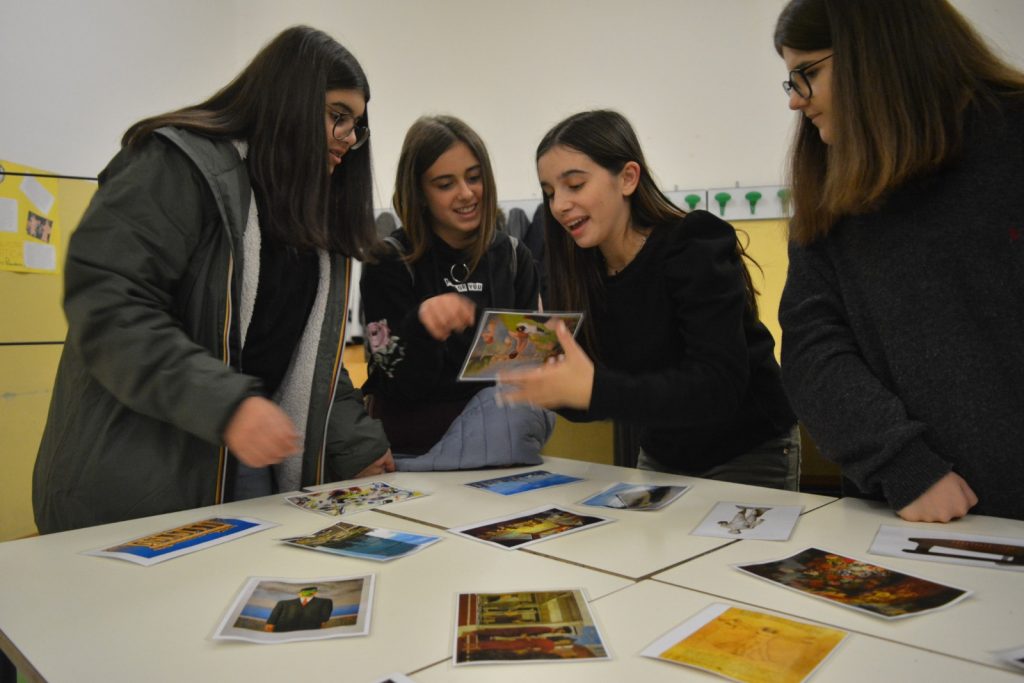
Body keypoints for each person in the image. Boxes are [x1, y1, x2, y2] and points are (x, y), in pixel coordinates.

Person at [33, 26, 393, 534]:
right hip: (139, 483)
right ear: (287, 99)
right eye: (337, 116)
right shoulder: (173, 165)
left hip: (247, 471)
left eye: (357, 124)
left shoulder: (309, 225)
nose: (351, 138)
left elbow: (307, 359)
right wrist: (227, 404)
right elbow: (111, 307)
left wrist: (357, 446)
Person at [773, 0, 1024, 522]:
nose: (797, 101)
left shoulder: (1010, 139)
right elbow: (812, 345)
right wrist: (905, 465)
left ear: (877, 53)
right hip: (905, 517)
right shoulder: (826, 181)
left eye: (808, 74)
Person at [498, 110, 800, 490]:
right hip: (663, 454)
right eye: (549, 193)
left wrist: (593, 389)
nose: (559, 205)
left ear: (627, 178)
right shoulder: (581, 271)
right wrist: (553, 387)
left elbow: (717, 386)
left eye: (574, 185)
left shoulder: (694, 243)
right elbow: (605, 390)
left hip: (746, 451)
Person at [360, 115, 541, 455]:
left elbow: (525, 371)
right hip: (414, 454)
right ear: (420, 192)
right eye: (445, 184)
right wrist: (423, 326)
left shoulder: (513, 256)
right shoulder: (388, 261)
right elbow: (393, 382)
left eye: (474, 178)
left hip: (504, 448)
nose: (466, 193)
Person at [264, 586, 333, 632]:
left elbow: (324, 620)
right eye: (303, 592)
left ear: (315, 592)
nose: (306, 593)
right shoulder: (283, 603)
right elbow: (270, 623)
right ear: (299, 593)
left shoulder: (325, 602)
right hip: (282, 633)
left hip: (309, 634)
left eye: (309, 591)